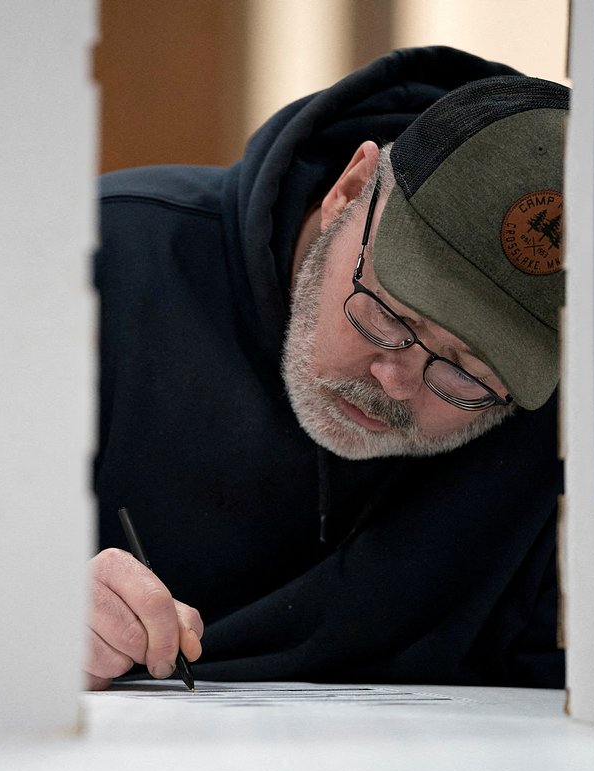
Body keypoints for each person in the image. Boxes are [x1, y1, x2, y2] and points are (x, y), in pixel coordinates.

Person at [88, 46, 569, 690]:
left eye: (468, 373)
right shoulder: (95, 269)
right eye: (391, 317)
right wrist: (12, 607)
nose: (395, 382)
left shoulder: (571, 426)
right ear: (347, 191)